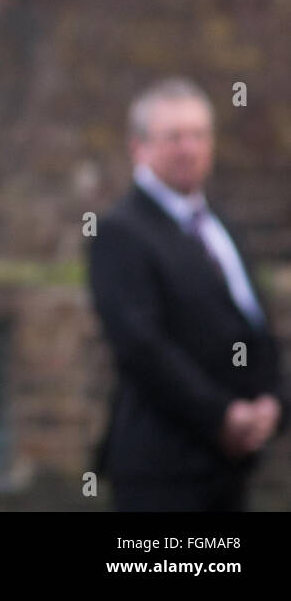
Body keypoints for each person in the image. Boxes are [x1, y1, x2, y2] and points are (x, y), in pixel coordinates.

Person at [88, 77, 289, 511]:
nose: (189, 148)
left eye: (199, 135)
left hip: (228, 471)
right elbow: (142, 348)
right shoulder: (121, 232)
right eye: (174, 137)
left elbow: (252, 323)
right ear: (138, 147)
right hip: (162, 471)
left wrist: (274, 402)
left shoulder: (219, 225)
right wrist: (223, 415)